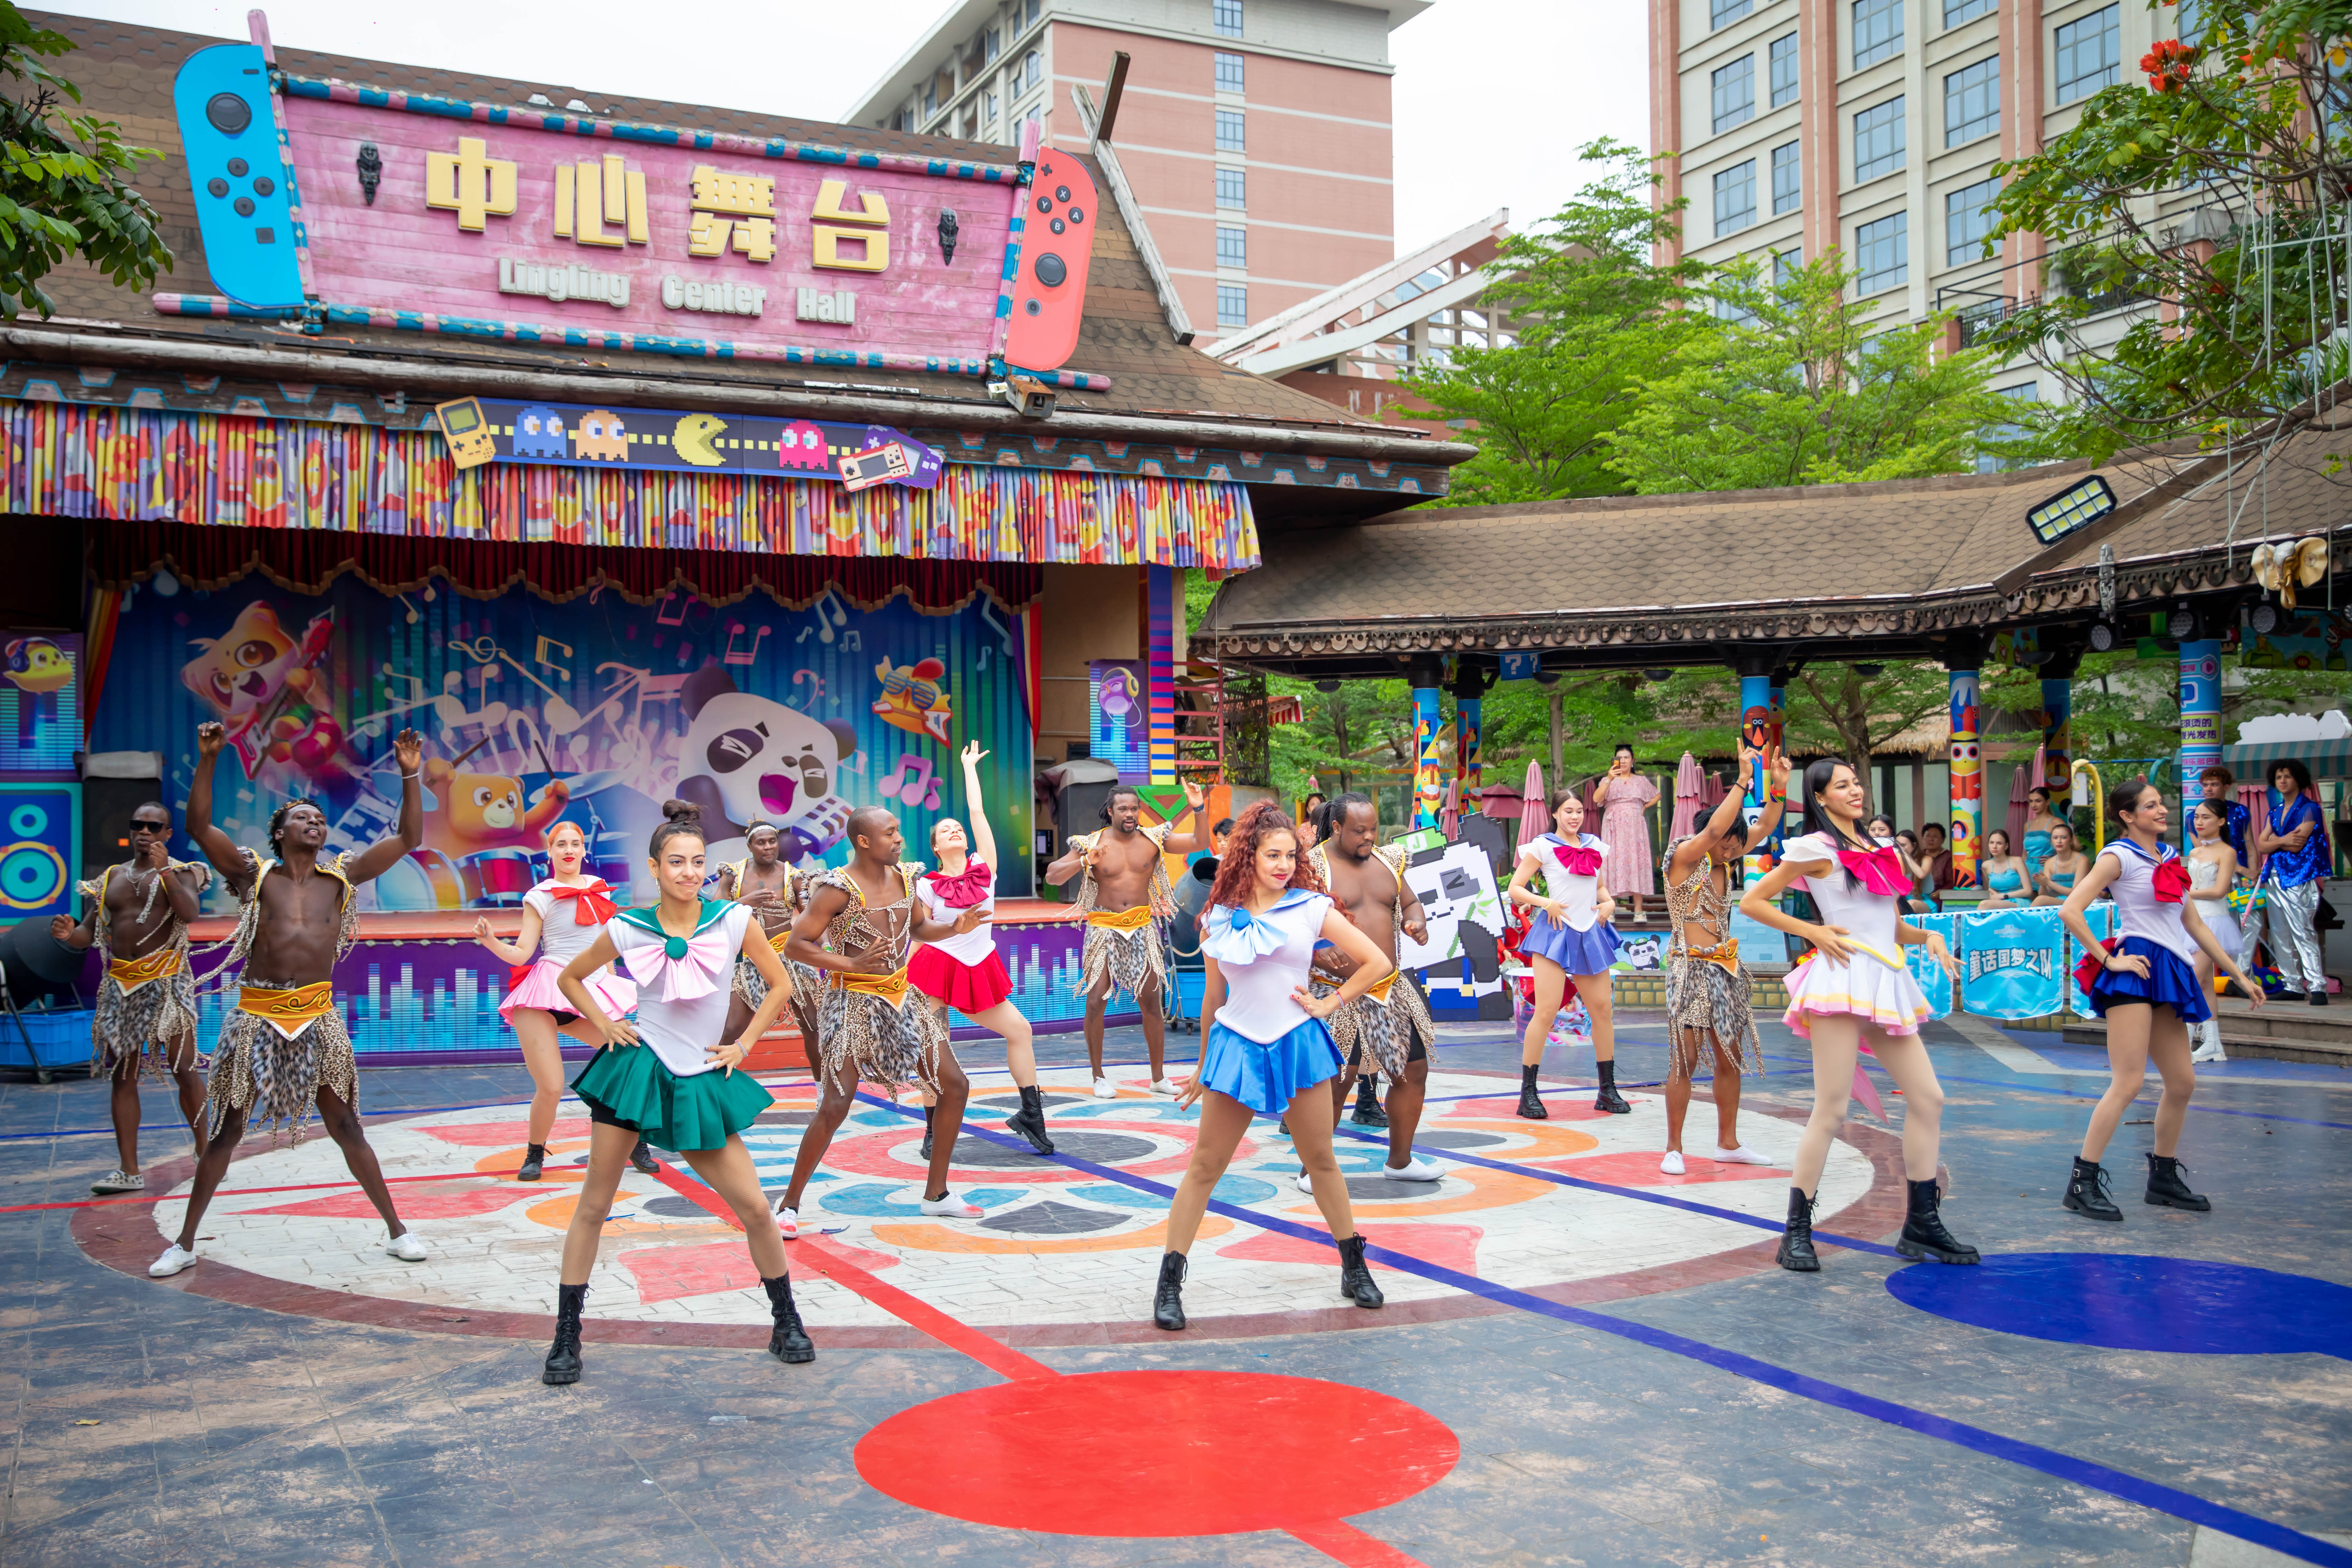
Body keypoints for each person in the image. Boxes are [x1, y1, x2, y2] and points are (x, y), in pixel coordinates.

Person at [540, 800, 809, 1382]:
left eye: (697, 862)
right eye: (676, 862)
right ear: (655, 867)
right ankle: (566, 1336)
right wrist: (606, 1023)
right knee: (594, 1206)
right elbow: (569, 977)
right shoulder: (628, 927)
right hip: (635, 1075)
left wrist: (744, 1046)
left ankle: (786, 1320)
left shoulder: (733, 920)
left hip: (699, 1079)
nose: (689, 872)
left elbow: (780, 984)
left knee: (756, 1210)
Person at [149, 722, 429, 1279]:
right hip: (257, 1018)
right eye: (303, 817)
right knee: (228, 1132)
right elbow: (199, 826)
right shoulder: (253, 875)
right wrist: (209, 758)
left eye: (319, 819)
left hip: (317, 1018)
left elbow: (407, 839)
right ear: (279, 833)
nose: (315, 823)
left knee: (347, 1126)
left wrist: (410, 775)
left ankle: (399, 1231)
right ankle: (184, 1243)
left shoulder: (342, 877)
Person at [1152, 802, 1394, 1331]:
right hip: (1236, 1046)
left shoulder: (1311, 908)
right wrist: (1202, 1065)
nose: (1284, 865)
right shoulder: (1218, 917)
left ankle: (1354, 1266)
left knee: (1321, 1160)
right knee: (1204, 1167)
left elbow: (1378, 962)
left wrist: (1331, 1004)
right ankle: (1169, 1282)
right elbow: (1213, 998)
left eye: (1290, 855)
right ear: (1249, 856)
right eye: (1273, 855)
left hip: (1297, 1043)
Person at [1741, 758, 1973, 1273]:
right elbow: (1754, 902)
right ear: (1821, 797)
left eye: (1856, 783)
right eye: (1841, 785)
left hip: (1885, 981)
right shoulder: (1815, 849)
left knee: (1929, 1098)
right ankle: (1796, 1232)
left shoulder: (1878, 848)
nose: (1855, 791)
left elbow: (1889, 926)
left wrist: (1929, 935)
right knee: (1831, 1108)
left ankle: (1922, 1223)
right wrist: (1814, 931)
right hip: (1841, 980)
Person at [773, 805, 994, 1238]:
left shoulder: (906, 879)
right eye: (890, 833)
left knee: (955, 1085)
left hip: (902, 998)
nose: (899, 839)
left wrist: (955, 927)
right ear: (863, 841)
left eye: (898, 831)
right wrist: (850, 963)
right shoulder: (836, 889)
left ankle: (937, 1195)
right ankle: (788, 1205)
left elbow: (919, 929)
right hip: (851, 1003)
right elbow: (796, 946)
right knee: (836, 1104)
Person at [2057, 778, 2263, 1223]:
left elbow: (2195, 924)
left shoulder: (2169, 856)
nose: (2162, 810)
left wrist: (2239, 976)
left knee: (2183, 1082)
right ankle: (2081, 1182)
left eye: (2160, 803)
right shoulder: (2117, 856)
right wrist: (2109, 960)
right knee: (2128, 1082)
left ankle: (2163, 1179)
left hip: (2170, 968)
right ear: (2128, 815)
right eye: (2150, 805)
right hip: (2134, 970)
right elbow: (2070, 910)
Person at [53, 801, 211, 1195]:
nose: (145, 831)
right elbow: (88, 934)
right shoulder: (111, 877)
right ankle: (129, 1171)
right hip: (121, 986)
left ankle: (206, 1153)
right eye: (138, 824)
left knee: (184, 1068)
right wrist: (69, 935)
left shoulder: (182, 872)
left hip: (167, 981)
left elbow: (189, 914)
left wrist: (164, 871)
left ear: (167, 834)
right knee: (123, 1075)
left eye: (154, 827)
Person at [474, 821, 642, 1182]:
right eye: (561, 844)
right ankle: (535, 1153)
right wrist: (491, 941)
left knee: (631, 1059)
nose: (569, 850)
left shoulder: (600, 889)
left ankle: (634, 1139)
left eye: (575, 843)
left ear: (584, 850)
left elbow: (605, 949)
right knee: (551, 1086)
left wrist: (613, 987)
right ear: (549, 852)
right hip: (546, 992)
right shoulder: (540, 895)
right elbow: (522, 953)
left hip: (590, 989)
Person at [910, 741, 1054, 1157]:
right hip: (934, 967)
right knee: (932, 1046)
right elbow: (919, 935)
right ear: (935, 847)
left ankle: (1031, 1113)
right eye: (945, 831)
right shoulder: (925, 886)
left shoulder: (984, 868)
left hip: (978, 965)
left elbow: (977, 813)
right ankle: (932, 1128)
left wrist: (969, 768)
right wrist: (899, 980)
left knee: (1020, 1030)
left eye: (957, 828)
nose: (955, 831)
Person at [1293, 792, 1438, 1190]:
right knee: (1336, 1082)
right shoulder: (1311, 866)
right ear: (1336, 827)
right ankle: (1312, 1170)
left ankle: (1400, 1161)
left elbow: (1411, 903)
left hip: (1388, 988)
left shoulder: (1389, 861)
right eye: (1360, 831)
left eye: (1374, 829)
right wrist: (1316, 954)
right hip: (1334, 991)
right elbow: (1285, 921)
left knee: (1412, 1071)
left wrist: (1416, 922)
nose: (1370, 837)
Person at [1658, 744, 1787, 1175]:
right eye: (1730, 844)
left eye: (1736, 846)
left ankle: (1728, 1143)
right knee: (1686, 1058)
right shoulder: (1683, 856)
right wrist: (1744, 779)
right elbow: (1716, 830)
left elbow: (1764, 826)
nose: (1734, 851)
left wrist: (1778, 788)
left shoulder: (1725, 861)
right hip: (1689, 968)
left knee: (1729, 1056)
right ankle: (1674, 1148)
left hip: (1724, 968)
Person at [1042, 780, 1209, 1098]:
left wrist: (1198, 808)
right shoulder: (1091, 842)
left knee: (1152, 1003)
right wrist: (1084, 862)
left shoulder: (1154, 839)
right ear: (1111, 811)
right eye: (1123, 809)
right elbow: (1052, 875)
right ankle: (1098, 1077)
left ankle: (1158, 1078)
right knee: (1096, 1001)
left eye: (1134, 808)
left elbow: (1199, 841)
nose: (1130, 814)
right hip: (1103, 928)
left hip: (1142, 927)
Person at [1506, 787, 1629, 1118]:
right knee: (1546, 1011)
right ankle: (1528, 1094)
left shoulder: (1595, 846)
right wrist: (1545, 902)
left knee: (1602, 1010)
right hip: (1555, 932)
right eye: (1568, 811)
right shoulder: (1543, 846)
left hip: (1590, 933)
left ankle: (1607, 1090)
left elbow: (1598, 888)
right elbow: (1515, 888)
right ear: (1556, 814)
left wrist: (1609, 902)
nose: (1575, 817)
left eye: (1579, 811)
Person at [714, 821, 825, 1076]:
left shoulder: (793, 876)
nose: (768, 847)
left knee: (814, 1027)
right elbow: (714, 912)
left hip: (790, 961)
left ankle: (823, 1090)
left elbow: (811, 918)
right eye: (761, 842)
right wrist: (744, 902)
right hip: (750, 961)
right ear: (750, 846)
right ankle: (709, 1083)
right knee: (731, 1029)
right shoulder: (733, 874)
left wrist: (827, 946)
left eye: (772, 841)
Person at [2245, 759, 2330, 1005]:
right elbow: (2262, 845)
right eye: (2279, 777)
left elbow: (2298, 844)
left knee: (2303, 932)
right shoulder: (2275, 811)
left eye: (2288, 776)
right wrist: (2282, 841)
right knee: (2280, 933)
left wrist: (2274, 842)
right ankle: (2292, 984)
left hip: (2299, 877)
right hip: (2274, 876)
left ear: (2298, 780)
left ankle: (2317, 986)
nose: (2282, 781)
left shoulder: (2310, 808)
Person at [2186, 799, 2244, 1064]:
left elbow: (2220, 891)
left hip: (2213, 922)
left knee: (2192, 980)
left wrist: (2185, 893)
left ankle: (2184, 1041)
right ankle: (2213, 1045)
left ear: (2221, 821)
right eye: (2197, 817)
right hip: (2191, 920)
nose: (2199, 822)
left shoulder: (2228, 852)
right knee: (2205, 983)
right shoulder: (2195, 852)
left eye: (2206, 817)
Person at [1593, 743, 1659, 924]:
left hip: (1635, 827)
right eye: (1619, 758)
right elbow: (1597, 799)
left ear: (1633, 760)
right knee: (1611, 861)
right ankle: (1610, 907)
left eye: (1626, 758)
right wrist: (1609, 779)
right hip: (1613, 825)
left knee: (1636, 860)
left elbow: (1657, 795)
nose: (1623, 761)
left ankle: (1639, 910)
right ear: (1614, 761)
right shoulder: (1608, 780)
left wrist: (1643, 807)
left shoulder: (1641, 781)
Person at [2198, 765, 2254, 877]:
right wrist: (2242, 870)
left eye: (2214, 785)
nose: (2209, 789)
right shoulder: (2196, 816)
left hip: (2242, 871)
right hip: (2212, 872)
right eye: (2205, 785)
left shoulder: (2240, 811)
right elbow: (2203, 850)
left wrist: (2252, 874)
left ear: (2226, 787)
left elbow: (2250, 845)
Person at [2032, 822, 2088, 906]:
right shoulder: (2049, 863)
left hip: (2077, 901)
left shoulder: (2082, 860)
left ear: (2071, 840)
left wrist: (2049, 883)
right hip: (2057, 901)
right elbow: (2043, 895)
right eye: (2055, 838)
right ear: (2052, 841)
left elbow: (2077, 892)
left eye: (2064, 838)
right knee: (2040, 900)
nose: (2059, 841)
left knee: (2040, 901)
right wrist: (2043, 883)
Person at [1976, 829, 2033, 908]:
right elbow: (1991, 888)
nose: (1995, 847)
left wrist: (2003, 896)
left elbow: (2028, 891)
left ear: (2006, 846)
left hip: (2019, 902)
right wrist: (1993, 893)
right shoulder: (1986, 866)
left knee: (1984, 905)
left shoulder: (2017, 861)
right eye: (1992, 843)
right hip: (2000, 903)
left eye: (1999, 843)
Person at [2022, 786, 2066, 886]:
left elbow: (2075, 845)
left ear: (2048, 802)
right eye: (2031, 801)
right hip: (2028, 870)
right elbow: (2024, 855)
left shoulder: (2056, 822)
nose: (2034, 805)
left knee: (2045, 896)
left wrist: (2055, 859)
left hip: (2046, 870)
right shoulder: (2027, 825)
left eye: (2038, 801)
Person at [1889, 828, 1938, 916]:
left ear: (1914, 846)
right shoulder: (1896, 861)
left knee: (1912, 904)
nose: (1900, 849)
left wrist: (1906, 855)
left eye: (1904, 845)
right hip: (1903, 901)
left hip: (1923, 902)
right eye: (1897, 846)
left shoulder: (1926, 859)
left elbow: (1921, 874)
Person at [1919, 822, 1955, 891]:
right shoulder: (1919, 855)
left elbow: (1951, 882)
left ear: (1943, 840)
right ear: (1923, 839)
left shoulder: (1949, 856)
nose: (1931, 839)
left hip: (1941, 894)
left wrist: (1940, 892)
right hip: (1919, 893)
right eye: (1928, 836)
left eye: (1935, 836)